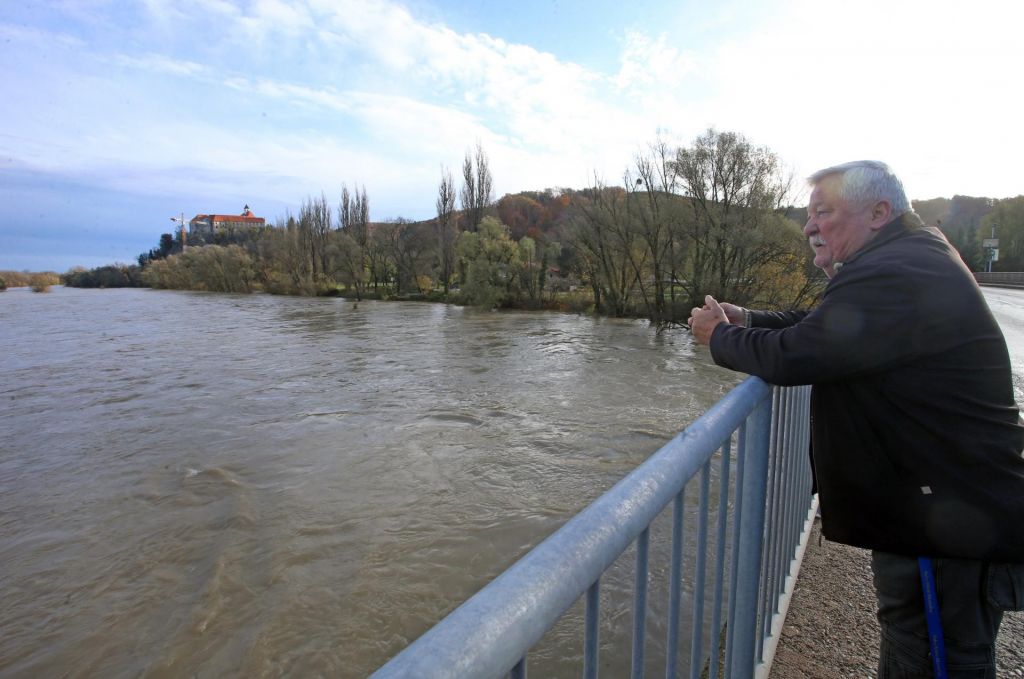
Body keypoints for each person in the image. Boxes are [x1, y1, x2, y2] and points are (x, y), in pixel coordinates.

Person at [687, 160, 1024, 678]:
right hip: (946, 509)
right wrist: (749, 320)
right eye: (809, 215)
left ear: (879, 212)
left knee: (936, 660)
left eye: (824, 212)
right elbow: (827, 325)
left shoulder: (897, 270)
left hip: (947, 527)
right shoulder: (912, 255)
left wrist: (719, 336)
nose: (809, 226)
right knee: (921, 649)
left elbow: (800, 354)